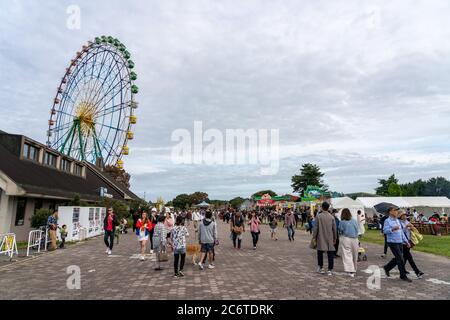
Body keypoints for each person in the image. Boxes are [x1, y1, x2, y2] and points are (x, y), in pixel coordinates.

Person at [382, 206, 412, 282]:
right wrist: (392, 229)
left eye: (396, 210)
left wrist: (406, 241)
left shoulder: (397, 220)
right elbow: (385, 231)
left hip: (399, 241)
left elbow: (401, 232)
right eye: (395, 210)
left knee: (398, 258)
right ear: (390, 212)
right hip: (392, 242)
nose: (396, 212)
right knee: (400, 259)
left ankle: (387, 268)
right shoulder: (387, 221)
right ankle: (403, 276)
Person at [312, 202, 337, 276]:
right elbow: (334, 229)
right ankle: (330, 269)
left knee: (320, 252)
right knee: (330, 253)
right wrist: (335, 237)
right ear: (328, 207)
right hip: (330, 237)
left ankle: (321, 267)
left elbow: (315, 228)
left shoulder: (318, 216)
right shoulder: (331, 217)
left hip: (320, 236)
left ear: (322, 207)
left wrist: (314, 237)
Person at [399, 211, 424, 279]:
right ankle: (417, 272)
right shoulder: (399, 222)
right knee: (409, 257)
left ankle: (402, 270)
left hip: (409, 241)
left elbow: (411, 228)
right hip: (403, 242)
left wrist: (411, 226)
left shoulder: (406, 221)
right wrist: (406, 227)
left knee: (405, 257)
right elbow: (400, 232)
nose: (404, 216)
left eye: (405, 215)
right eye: (403, 215)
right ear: (400, 216)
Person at [338, 209, 359, 277]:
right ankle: (354, 269)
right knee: (354, 254)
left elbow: (340, 230)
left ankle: (350, 270)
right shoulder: (354, 221)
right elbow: (357, 230)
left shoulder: (342, 222)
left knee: (347, 254)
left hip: (346, 238)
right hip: (355, 239)